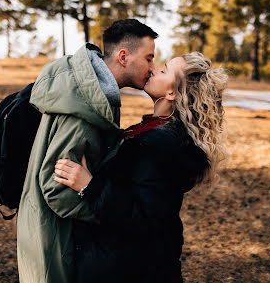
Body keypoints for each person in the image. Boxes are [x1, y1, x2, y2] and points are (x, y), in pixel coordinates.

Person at [53, 52, 227, 283]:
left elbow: (143, 219)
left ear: (171, 92)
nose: (153, 69)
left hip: (133, 269)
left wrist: (89, 185)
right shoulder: (154, 133)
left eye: (164, 70)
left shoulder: (161, 145)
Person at [16, 19, 158, 283]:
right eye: (149, 59)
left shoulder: (92, 91)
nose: (153, 68)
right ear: (124, 56)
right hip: (55, 241)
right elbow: (55, 188)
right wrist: (109, 214)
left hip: (58, 235)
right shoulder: (86, 106)